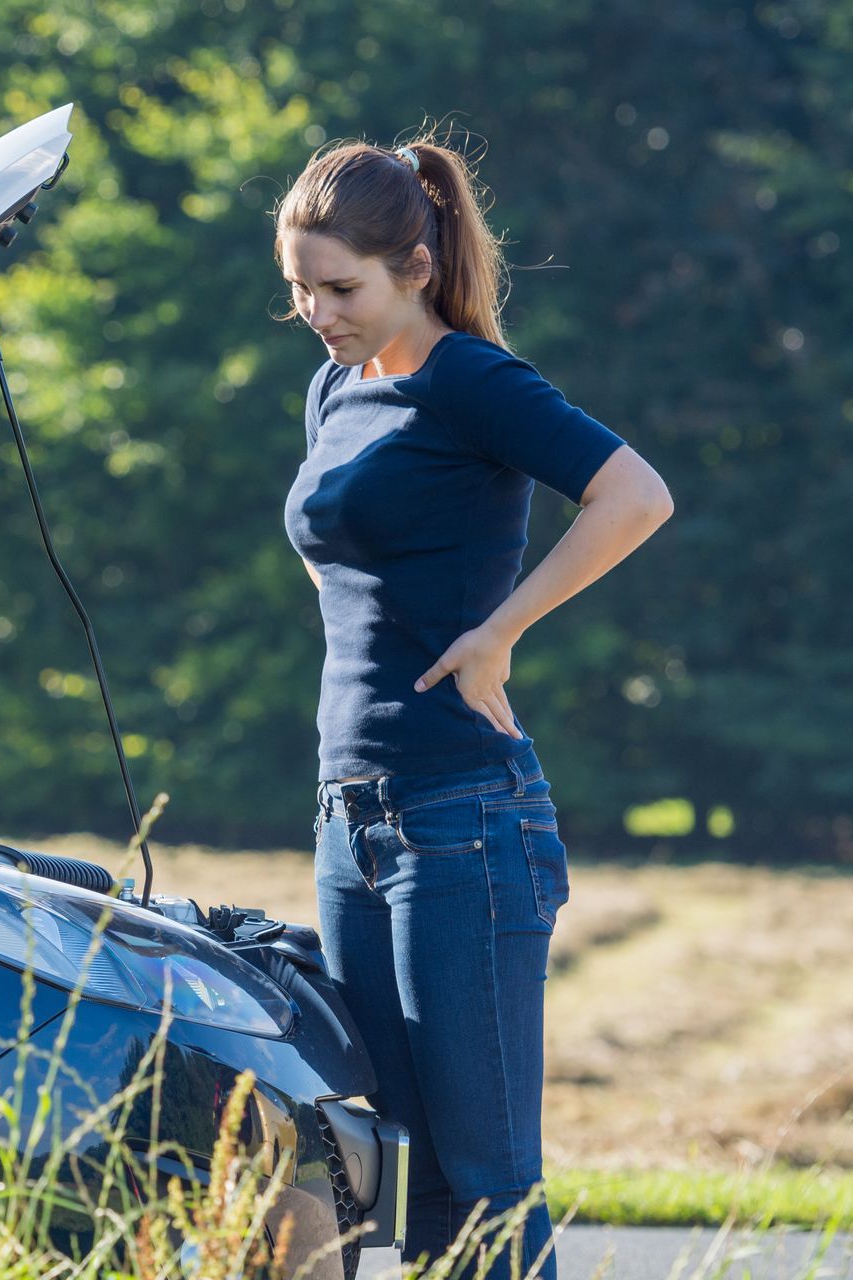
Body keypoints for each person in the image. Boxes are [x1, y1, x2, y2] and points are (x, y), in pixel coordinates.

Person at [276, 137, 673, 1279]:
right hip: (351, 817)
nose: (316, 312)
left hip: (464, 817)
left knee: (489, 1186)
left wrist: (499, 628)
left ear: (414, 263)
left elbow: (633, 493)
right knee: (409, 1173)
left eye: (340, 288)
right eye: (300, 288)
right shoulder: (334, 386)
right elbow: (345, 555)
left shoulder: (472, 380)